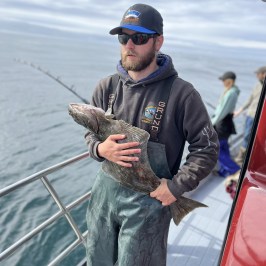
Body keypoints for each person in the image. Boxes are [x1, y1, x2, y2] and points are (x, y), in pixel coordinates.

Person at [84, 4, 219, 265]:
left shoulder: (182, 94)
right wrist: (100, 149)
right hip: (104, 198)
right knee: (96, 257)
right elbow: (91, 134)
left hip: (149, 204)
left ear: (158, 42)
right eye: (124, 37)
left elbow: (207, 148)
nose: (129, 45)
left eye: (140, 38)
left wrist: (176, 186)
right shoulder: (106, 87)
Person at [233, 66, 266, 166]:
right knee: (247, 135)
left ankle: (243, 158)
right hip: (250, 115)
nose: (257, 75)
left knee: (255, 137)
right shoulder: (257, 85)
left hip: (261, 118)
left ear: (264, 74)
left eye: (258, 73)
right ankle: (241, 158)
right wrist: (240, 110)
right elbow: (250, 99)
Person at [211, 71, 241, 177]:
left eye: (224, 80)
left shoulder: (231, 93)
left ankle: (235, 170)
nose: (222, 82)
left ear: (230, 81)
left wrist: (211, 123)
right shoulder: (232, 91)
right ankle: (224, 171)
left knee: (216, 150)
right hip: (226, 123)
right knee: (223, 147)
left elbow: (222, 111)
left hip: (222, 124)